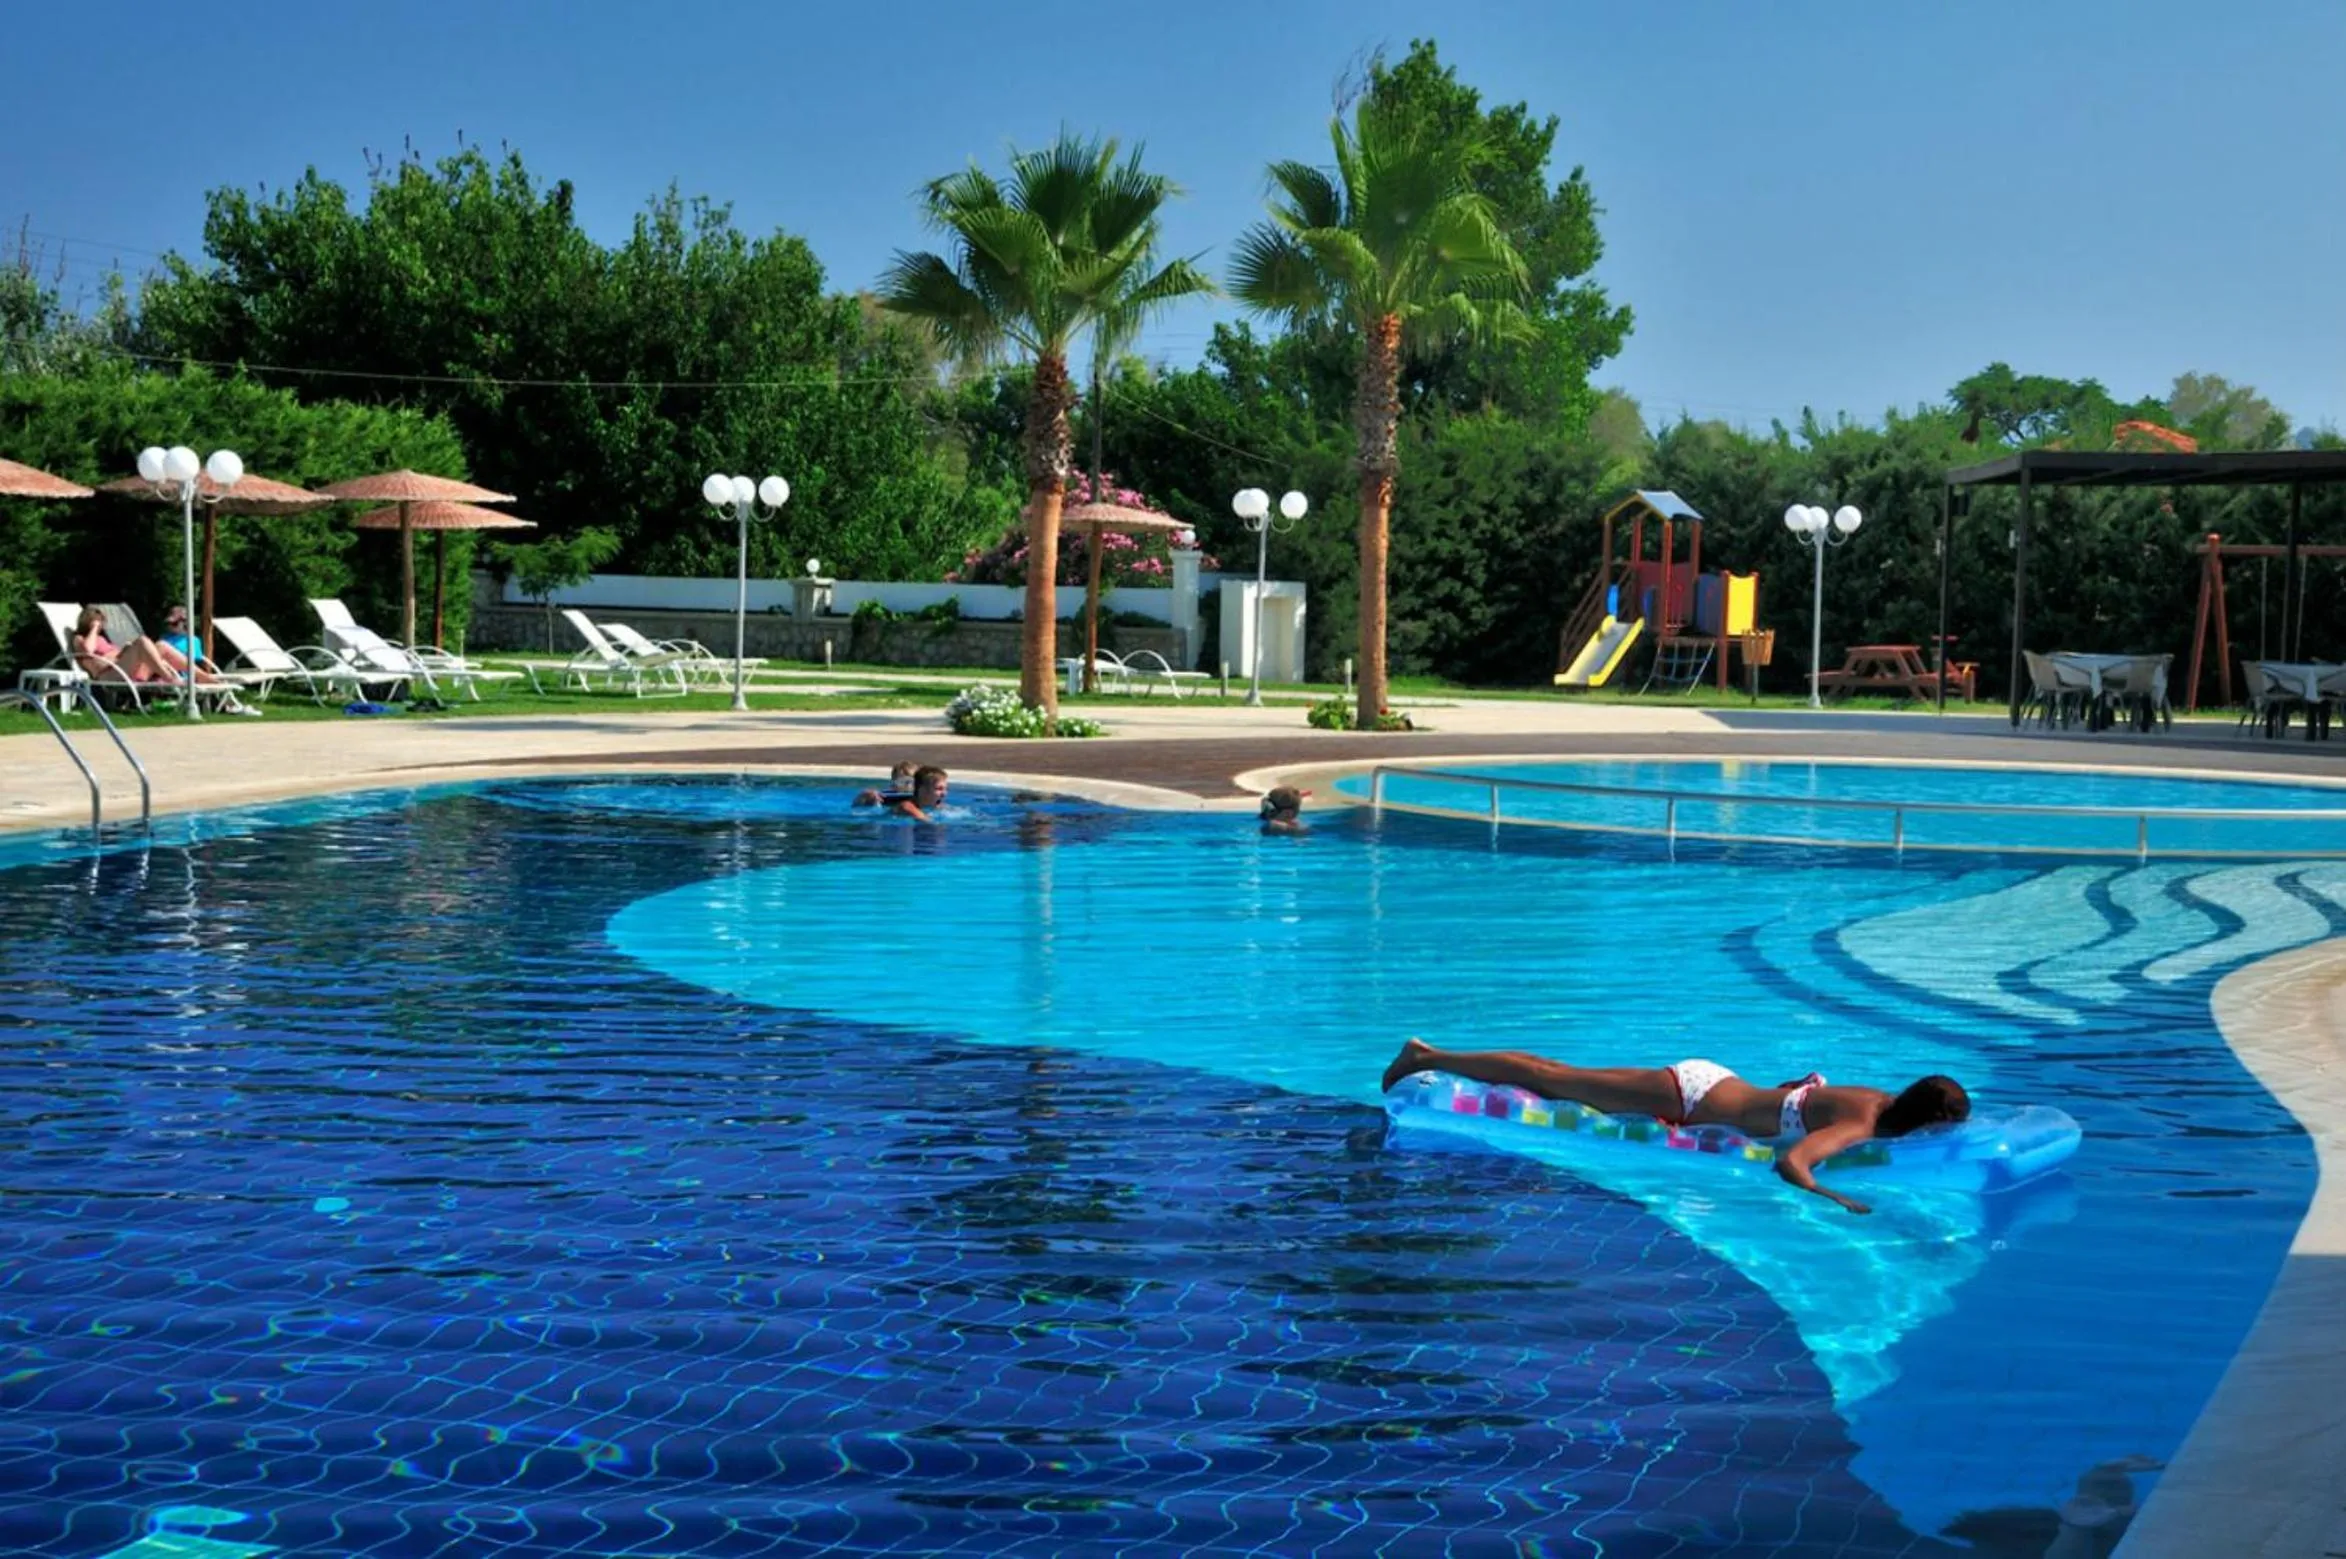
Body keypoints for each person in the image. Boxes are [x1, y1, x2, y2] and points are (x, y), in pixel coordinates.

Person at [1380, 1037, 1969, 1215]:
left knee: (1555, 1074)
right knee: (1550, 1076)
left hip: (1717, 1084)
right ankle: (1426, 1057)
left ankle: (1433, 1054)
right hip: (1692, 1097)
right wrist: (1836, 1196)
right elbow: (1790, 1163)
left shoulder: (1880, 1097)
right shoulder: (1862, 1122)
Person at [70, 607, 225, 688]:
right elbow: (88, 651)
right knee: (142, 641)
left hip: (124, 669)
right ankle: (170, 678)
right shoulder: (79, 638)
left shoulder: (101, 638)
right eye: (99, 622)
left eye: (102, 622)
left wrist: (122, 651)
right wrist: (94, 629)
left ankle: (203, 676)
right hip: (109, 674)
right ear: (88, 621)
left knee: (162, 646)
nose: (102, 625)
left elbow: (111, 655)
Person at [881, 765, 950, 822]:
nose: (944, 794)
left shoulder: (940, 807)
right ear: (922, 790)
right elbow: (929, 822)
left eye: (945, 789)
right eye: (939, 789)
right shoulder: (907, 806)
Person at [852, 760, 921, 809]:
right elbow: (855, 807)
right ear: (893, 784)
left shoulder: (921, 798)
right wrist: (862, 798)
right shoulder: (882, 797)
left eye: (910, 782)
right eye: (901, 782)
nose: (907, 786)